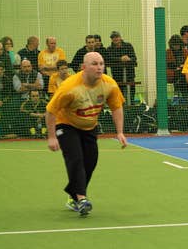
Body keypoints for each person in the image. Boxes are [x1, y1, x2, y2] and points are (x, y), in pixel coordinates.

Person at [45, 52, 128, 216]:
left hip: (90, 126)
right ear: (84, 67)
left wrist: (120, 132)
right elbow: (50, 111)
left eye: (101, 64)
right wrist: (52, 136)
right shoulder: (69, 87)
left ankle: (72, 194)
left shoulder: (109, 84)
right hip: (66, 124)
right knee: (76, 158)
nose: (99, 67)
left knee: (90, 162)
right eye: (94, 64)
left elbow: (116, 107)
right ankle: (81, 199)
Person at [106, 31, 138, 104]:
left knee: (131, 95)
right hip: (117, 76)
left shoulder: (128, 46)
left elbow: (134, 58)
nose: (115, 39)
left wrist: (129, 59)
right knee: (119, 96)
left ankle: (131, 110)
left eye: (116, 37)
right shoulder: (109, 49)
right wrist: (120, 59)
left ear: (120, 37)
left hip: (129, 75)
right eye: (113, 37)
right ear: (111, 39)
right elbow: (109, 59)